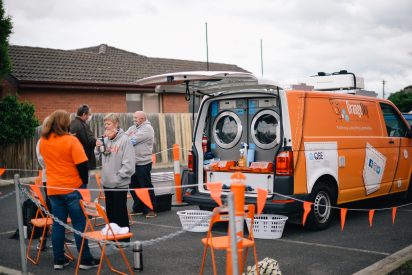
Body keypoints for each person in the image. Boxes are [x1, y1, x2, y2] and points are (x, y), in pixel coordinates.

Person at [39, 110, 98, 270]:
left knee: (58, 224)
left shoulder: (43, 141)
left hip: (53, 189)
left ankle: (59, 260)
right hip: (72, 188)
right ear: (65, 123)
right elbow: (82, 166)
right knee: (79, 223)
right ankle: (85, 259)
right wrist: (83, 184)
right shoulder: (71, 141)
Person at [95, 113, 135, 235]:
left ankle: (124, 239)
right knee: (111, 212)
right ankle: (113, 236)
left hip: (119, 184)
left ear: (116, 124)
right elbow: (97, 156)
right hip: (107, 183)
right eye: (105, 124)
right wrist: (97, 147)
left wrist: (117, 177)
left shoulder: (125, 140)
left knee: (120, 212)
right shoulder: (105, 139)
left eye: (109, 123)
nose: (106, 126)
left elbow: (129, 165)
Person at [126, 111, 157, 218]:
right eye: (133, 117)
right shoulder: (132, 128)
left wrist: (125, 139)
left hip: (143, 162)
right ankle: (138, 207)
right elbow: (123, 138)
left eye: (136, 117)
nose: (133, 119)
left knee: (145, 186)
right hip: (132, 162)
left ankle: (150, 209)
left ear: (142, 119)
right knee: (134, 186)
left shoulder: (147, 128)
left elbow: (131, 141)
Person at [70, 104, 97, 173]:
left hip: (74, 159)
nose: (89, 117)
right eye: (89, 114)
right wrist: (98, 141)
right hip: (84, 158)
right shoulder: (82, 125)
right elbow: (90, 141)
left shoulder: (72, 123)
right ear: (84, 114)